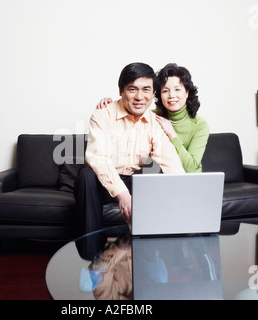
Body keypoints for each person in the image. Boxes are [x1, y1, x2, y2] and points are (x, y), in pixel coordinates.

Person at [74, 62, 184, 235]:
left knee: (157, 173)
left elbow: (171, 162)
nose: (139, 97)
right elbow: (98, 159)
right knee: (86, 176)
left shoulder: (154, 122)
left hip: (134, 180)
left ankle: (150, 250)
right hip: (103, 185)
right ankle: (91, 255)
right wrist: (123, 195)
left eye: (146, 89)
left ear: (153, 93)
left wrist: (186, 192)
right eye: (132, 89)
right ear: (121, 91)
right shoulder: (102, 114)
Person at [97, 63, 209, 173]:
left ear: (187, 92)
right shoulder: (151, 116)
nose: (171, 95)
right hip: (158, 178)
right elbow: (128, 118)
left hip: (189, 180)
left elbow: (191, 169)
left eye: (177, 89)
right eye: (165, 90)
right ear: (158, 94)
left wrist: (172, 135)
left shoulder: (199, 125)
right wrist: (113, 106)